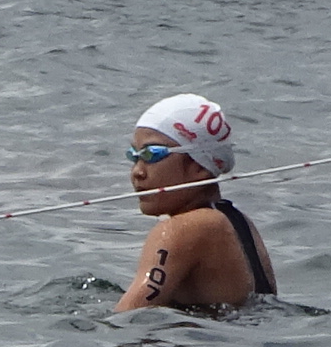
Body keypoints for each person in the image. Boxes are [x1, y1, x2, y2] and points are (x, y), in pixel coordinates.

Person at [117, 94, 279, 310]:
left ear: (200, 166)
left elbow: (125, 319)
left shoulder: (181, 229)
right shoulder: (238, 221)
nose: (137, 172)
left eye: (152, 155)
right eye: (134, 156)